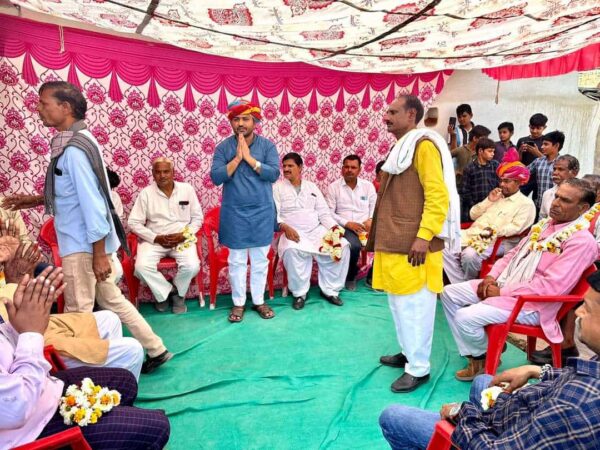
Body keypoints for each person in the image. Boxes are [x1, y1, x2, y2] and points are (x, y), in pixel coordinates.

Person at [1, 81, 171, 374]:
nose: (39, 109)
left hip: (82, 248)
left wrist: (98, 255)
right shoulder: (78, 141)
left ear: (65, 108)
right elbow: (72, 193)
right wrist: (34, 199)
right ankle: (156, 349)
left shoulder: (74, 150)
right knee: (113, 301)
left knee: (77, 317)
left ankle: (82, 380)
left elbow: (93, 204)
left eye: (44, 103)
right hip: (88, 246)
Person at [380, 265, 600, 449]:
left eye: (587, 309)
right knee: (484, 382)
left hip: (504, 437)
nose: (578, 312)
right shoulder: (591, 373)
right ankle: (480, 357)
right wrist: (537, 370)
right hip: (527, 415)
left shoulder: (575, 408)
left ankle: (480, 358)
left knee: (393, 417)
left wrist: (462, 414)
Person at [441, 179, 598, 381]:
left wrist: (501, 292)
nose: (556, 203)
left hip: (533, 306)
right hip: (507, 286)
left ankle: (481, 354)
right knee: (448, 293)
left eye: (565, 200)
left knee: (465, 317)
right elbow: (511, 255)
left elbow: (551, 287)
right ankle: (480, 351)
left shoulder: (581, 241)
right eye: (557, 196)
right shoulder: (545, 226)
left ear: (583, 208)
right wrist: (491, 277)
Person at [0, 268, 170, 449]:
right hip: (26, 430)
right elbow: (15, 407)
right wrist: (31, 333)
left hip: (37, 390)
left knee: (126, 381)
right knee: (157, 427)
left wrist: (18, 326)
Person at [367, 94, 458, 393]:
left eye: (393, 112)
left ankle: (419, 368)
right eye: (387, 112)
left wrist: (424, 236)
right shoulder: (402, 147)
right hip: (396, 242)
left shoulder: (424, 147)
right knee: (398, 304)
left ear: (411, 115)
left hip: (415, 245)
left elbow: (437, 195)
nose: (386, 117)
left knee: (415, 307)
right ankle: (408, 353)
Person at [0, 223, 144, 379]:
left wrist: (12, 266)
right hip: (15, 337)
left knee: (110, 318)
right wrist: (16, 279)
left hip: (20, 319)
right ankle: (96, 388)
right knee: (132, 350)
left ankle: (105, 384)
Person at [210, 99, 280, 323]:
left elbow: (273, 175)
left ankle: (258, 301)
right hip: (234, 214)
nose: (241, 123)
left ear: (255, 121)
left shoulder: (267, 146)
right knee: (237, 261)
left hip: (261, 212)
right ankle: (239, 303)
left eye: (245, 119)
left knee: (260, 260)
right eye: (236, 119)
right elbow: (216, 177)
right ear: (231, 122)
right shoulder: (224, 148)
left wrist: (250, 159)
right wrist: (237, 158)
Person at [444, 149, 535, 284]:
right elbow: (472, 214)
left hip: (499, 242)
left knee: (469, 255)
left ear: (518, 182)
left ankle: (465, 284)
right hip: (472, 234)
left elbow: (516, 228)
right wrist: (489, 200)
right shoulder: (496, 196)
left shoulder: (526, 204)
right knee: (442, 245)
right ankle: (461, 283)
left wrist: (490, 232)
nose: (502, 184)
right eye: (501, 181)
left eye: (507, 181)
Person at [274, 152, 351, 310]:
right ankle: (300, 293)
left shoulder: (311, 187)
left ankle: (330, 290)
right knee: (291, 250)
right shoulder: (277, 188)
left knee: (342, 245)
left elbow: (324, 213)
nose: (286, 169)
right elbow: (274, 214)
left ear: (300, 167)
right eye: (285, 166)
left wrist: (334, 228)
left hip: (316, 230)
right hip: (293, 232)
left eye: (291, 166)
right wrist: (285, 227)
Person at [128, 158, 203, 314]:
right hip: (155, 240)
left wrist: (184, 234)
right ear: (153, 174)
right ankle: (166, 293)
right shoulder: (146, 194)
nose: (162, 175)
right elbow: (133, 222)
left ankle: (178, 293)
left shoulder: (187, 190)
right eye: (158, 172)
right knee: (141, 267)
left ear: (173, 172)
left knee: (192, 265)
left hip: (181, 238)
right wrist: (155, 238)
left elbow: (197, 218)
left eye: (166, 171)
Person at [326, 155, 376, 291]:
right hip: (345, 226)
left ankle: (373, 276)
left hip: (367, 225)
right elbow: (329, 212)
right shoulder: (334, 187)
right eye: (346, 167)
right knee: (353, 245)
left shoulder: (368, 186)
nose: (349, 170)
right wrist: (347, 223)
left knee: (386, 242)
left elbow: (374, 206)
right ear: (342, 169)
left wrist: (371, 219)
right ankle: (351, 275)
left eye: (353, 167)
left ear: (359, 170)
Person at [459, 137, 499, 217]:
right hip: (474, 209)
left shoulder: (495, 165)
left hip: (492, 207)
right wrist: (473, 205)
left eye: (493, 151)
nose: (493, 154)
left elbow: (499, 184)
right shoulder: (469, 168)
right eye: (490, 151)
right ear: (480, 151)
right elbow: (464, 191)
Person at [528, 130, 565, 212]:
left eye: (546, 144)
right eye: (542, 144)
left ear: (556, 145)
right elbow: (524, 172)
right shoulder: (538, 161)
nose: (542, 147)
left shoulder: (563, 163)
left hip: (556, 205)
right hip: (539, 204)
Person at [451, 125, 491, 194]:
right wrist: (454, 171)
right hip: (458, 188)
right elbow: (443, 157)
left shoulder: (482, 154)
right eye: (483, 139)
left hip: (474, 189)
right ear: (475, 138)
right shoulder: (460, 150)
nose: (485, 142)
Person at [539, 155, 579, 219]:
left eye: (560, 169)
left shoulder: (581, 195)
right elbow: (542, 219)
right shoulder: (547, 193)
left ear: (574, 173)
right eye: (554, 169)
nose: (555, 172)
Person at [107, 168, 124, 282]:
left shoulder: (114, 197)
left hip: (107, 243)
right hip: (84, 246)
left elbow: (117, 223)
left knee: (117, 273)